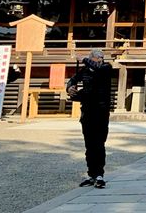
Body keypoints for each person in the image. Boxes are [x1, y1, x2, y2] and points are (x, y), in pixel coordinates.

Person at [66, 48, 112, 189]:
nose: (99, 60)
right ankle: (91, 174)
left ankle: (99, 174)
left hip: (101, 112)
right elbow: (73, 80)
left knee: (99, 144)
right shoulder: (85, 71)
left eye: (100, 58)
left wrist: (84, 59)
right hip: (87, 111)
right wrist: (69, 88)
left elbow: (98, 68)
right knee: (89, 145)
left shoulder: (106, 68)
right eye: (96, 58)